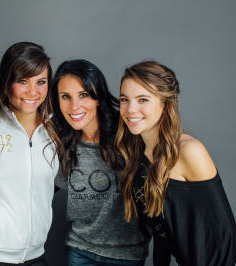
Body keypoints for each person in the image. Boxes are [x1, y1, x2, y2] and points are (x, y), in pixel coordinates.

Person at [116, 60, 236, 266]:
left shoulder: (188, 151)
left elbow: (220, 236)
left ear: (165, 103)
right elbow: (161, 227)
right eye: (124, 99)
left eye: (143, 99)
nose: (130, 109)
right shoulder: (140, 154)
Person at [0, 42, 59, 266]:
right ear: (7, 82)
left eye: (41, 82)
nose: (33, 92)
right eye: (22, 81)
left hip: (36, 256)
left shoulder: (55, 130)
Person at [52, 59, 150, 266]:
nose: (74, 106)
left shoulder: (128, 134)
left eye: (84, 95)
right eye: (65, 97)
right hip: (79, 251)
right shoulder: (59, 140)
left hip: (126, 255)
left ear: (98, 97)